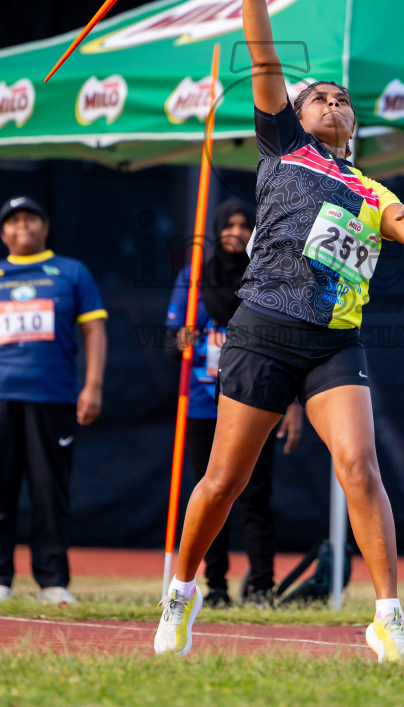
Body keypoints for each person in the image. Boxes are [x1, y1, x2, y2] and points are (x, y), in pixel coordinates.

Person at [154, 0, 404, 662]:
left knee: (358, 467)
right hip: (262, 329)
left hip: (332, 342)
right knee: (223, 481)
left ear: (352, 125)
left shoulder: (371, 186)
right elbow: (264, 56)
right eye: (322, 97)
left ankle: (386, 616)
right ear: (300, 115)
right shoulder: (285, 146)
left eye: (343, 101)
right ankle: (181, 591)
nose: (334, 103)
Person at [0, 196, 107, 605]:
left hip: (51, 399)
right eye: (14, 222)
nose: (23, 228)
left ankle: (53, 581)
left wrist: (92, 385)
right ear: (3, 233)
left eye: (31, 220)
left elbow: (94, 332)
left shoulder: (71, 272)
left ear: (45, 226)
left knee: (48, 490)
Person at [166, 198, 302, 607]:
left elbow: (285, 343)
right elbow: (174, 341)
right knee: (210, 493)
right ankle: (216, 586)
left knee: (256, 495)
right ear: (216, 228)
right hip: (204, 404)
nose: (237, 232)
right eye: (230, 224)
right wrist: (182, 340)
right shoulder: (193, 278)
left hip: (256, 401)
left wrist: (292, 404)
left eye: (246, 226)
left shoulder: (264, 277)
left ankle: (261, 585)